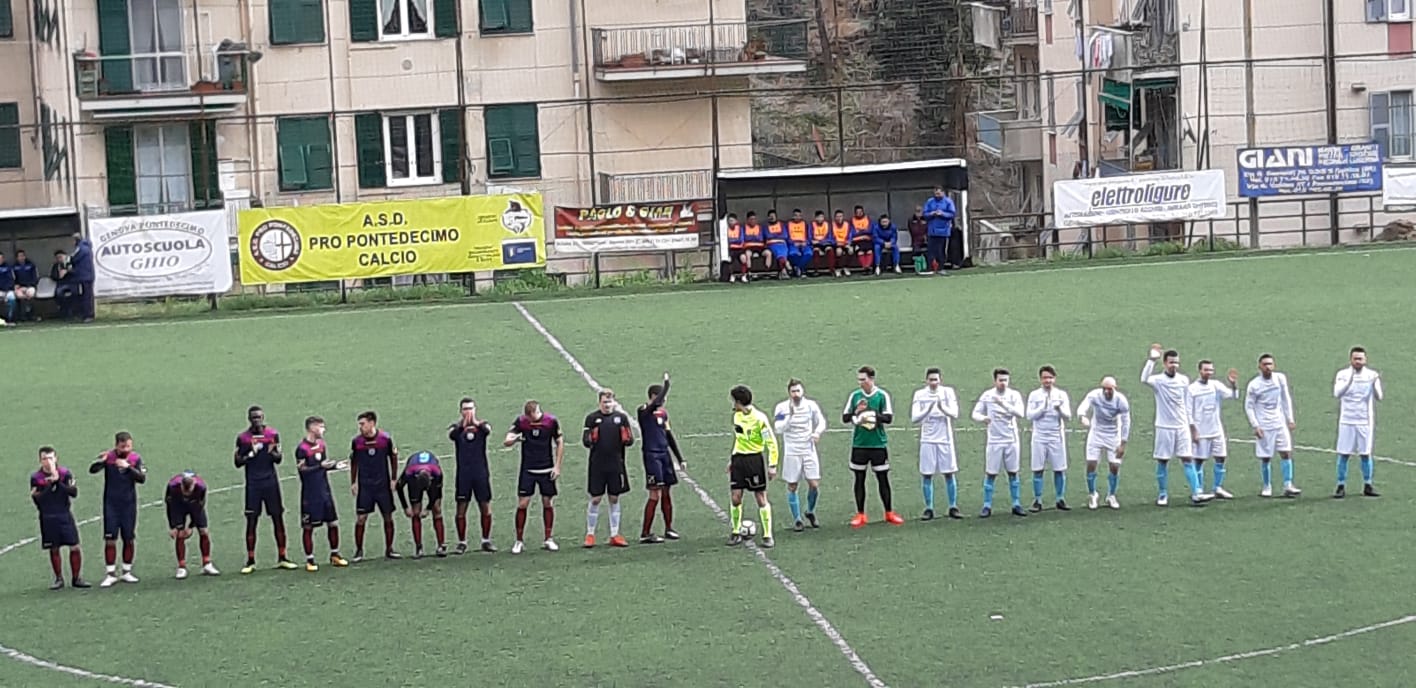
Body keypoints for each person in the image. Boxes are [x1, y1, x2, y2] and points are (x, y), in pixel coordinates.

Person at [1141, 346, 1212, 506]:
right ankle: (1162, 494)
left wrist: (1191, 426)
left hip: (1181, 426)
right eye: (1171, 362)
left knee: (1187, 458)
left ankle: (1197, 493)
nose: (1174, 365)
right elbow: (1144, 379)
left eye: (1177, 363)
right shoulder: (1158, 380)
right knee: (1163, 461)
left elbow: (1186, 403)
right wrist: (1151, 360)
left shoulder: (1183, 380)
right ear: (1165, 363)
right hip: (1164, 426)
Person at [235, 406, 295, 574]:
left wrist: (273, 452)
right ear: (249, 419)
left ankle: (283, 557)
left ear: (263, 417)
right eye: (254, 417)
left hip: (271, 483)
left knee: (277, 518)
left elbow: (278, 459)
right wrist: (251, 454)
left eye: (259, 417)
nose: (257, 420)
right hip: (253, 484)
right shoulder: (243, 438)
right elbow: (238, 462)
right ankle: (250, 561)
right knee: (252, 521)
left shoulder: (272, 434)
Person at [844, 366, 903, 527]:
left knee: (882, 478)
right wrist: (857, 412)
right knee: (859, 479)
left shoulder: (882, 395)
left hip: (878, 444)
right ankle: (860, 514)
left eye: (863, 379)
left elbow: (888, 418)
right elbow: (845, 417)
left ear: (871, 379)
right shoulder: (855, 396)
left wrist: (872, 415)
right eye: (859, 380)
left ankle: (889, 512)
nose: (860, 382)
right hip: (859, 444)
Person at [504, 401, 565, 554]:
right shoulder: (521, 422)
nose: (531, 420)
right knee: (522, 504)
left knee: (547, 502)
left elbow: (559, 442)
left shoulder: (551, 421)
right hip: (528, 470)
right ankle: (519, 541)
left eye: (532, 417)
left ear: (537, 412)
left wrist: (557, 466)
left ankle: (548, 538)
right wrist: (515, 439)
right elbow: (507, 441)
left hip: (546, 469)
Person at [89, 432, 147, 588]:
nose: (126, 449)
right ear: (116, 446)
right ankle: (110, 574)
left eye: (128, 446)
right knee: (110, 538)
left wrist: (128, 467)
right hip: (111, 504)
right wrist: (102, 461)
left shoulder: (135, 459)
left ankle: (127, 571)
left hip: (128, 504)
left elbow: (142, 479)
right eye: (123, 447)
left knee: (128, 537)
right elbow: (92, 470)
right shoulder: (110, 458)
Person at [581, 389, 634, 548]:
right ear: (600, 403)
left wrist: (627, 438)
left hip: (616, 464)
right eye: (604, 402)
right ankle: (590, 534)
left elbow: (630, 440)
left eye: (609, 402)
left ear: (614, 402)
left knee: (614, 497)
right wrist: (590, 439)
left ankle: (614, 534)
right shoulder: (592, 418)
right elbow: (585, 441)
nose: (607, 405)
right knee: (596, 498)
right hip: (597, 465)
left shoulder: (621, 418)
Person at [727, 385, 779, 547]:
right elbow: (739, 439)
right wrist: (732, 459)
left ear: (739, 402)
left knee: (760, 497)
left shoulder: (759, 419)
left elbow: (771, 442)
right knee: (735, 497)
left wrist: (772, 464)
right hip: (738, 460)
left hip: (754, 460)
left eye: (734, 401)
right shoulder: (736, 417)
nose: (733, 404)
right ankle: (735, 531)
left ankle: (767, 535)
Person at [972, 368, 1027, 518]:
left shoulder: (1014, 395)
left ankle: (1016, 504)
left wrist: (1003, 404)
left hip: (1011, 440)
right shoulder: (987, 395)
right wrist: (983, 418)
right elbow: (975, 413)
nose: (1003, 383)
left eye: (1006, 380)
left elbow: (1020, 413)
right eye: (1000, 380)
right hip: (994, 441)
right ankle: (987, 505)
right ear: (995, 380)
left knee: (1013, 472)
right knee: (990, 473)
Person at [31, 447, 89, 589]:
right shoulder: (36, 478)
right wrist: (50, 484)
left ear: (56, 458)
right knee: (54, 548)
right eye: (44, 459)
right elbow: (38, 499)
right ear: (40, 461)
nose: (48, 461)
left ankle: (76, 578)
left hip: (64, 514)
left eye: (50, 458)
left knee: (74, 546)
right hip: (47, 516)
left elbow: (73, 492)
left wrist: (58, 482)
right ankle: (59, 578)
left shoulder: (65, 474)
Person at [773, 378, 827, 531]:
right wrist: (790, 416)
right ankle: (797, 519)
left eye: (798, 391)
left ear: (802, 391)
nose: (796, 394)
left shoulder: (811, 405)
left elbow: (821, 421)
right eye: (793, 391)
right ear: (789, 393)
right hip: (792, 451)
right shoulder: (782, 408)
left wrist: (817, 433)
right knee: (792, 485)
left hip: (808, 449)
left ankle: (810, 511)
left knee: (814, 484)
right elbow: (778, 428)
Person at [1244, 354, 1301, 498]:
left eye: (1270, 364)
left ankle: (1288, 484)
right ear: (1259, 366)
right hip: (1264, 425)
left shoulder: (1280, 379)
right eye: (1265, 364)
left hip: (1279, 423)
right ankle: (1266, 485)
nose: (1268, 367)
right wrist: (1255, 426)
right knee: (1266, 457)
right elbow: (1249, 406)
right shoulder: (1254, 385)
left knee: (1286, 452)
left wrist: (1290, 418)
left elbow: (1285, 399)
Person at [295, 416, 348, 570]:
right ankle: (310, 560)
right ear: (312, 428)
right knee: (308, 527)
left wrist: (336, 466)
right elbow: (302, 470)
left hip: (324, 491)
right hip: (310, 494)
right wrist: (321, 466)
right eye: (321, 427)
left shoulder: (322, 445)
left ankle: (335, 555)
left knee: (333, 523)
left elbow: (324, 466)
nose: (323, 430)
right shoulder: (302, 449)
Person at [638, 373, 685, 543]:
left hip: (664, 455)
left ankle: (669, 528)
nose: (664, 401)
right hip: (652, 456)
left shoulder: (663, 414)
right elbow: (655, 404)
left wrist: (680, 458)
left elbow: (669, 436)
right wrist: (666, 385)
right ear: (652, 397)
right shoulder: (643, 411)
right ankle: (645, 533)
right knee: (654, 494)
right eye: (661, 397)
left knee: (666, 492)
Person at [349, 410, 402, 561]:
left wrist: (393, 479)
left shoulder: (385, 439)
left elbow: (393, 458)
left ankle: (389, 549)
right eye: (359, 424)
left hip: (383, 485)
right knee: (361, 518)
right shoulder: (357, 442)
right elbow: (354, 462)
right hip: (365, 486)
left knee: (387, 516)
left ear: (372, 423)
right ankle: (359, 551)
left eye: (363, 424)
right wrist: (353, 482)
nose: (360, 427)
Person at [1333, 346, 1383, 498]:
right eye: (1355, 359)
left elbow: (1379, 397)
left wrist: (1374, 384)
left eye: (1360, 359)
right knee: (1344, 453)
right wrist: (1350, 380)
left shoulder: (1372, 375)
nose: (1358, 362)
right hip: (1347, 420)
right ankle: (1340, 485)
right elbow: (1337, 393)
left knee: (1365, 454)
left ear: (1365, 360)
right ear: (1351, 360)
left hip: (1364, 421)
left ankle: (1368, 484)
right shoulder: (1342, 374)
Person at [911, 368, 961, 520]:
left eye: (936, 379)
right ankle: (929, 508)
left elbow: (955, 414)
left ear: (940, 380)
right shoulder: (920, 394)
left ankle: (953, 506)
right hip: (927, 439)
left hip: (945, 439)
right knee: (927, 474)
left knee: (949, 473)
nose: (933, 382)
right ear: (926, 380)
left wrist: (942, 408)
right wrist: (927, 409)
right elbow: (914, 418)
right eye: (931, 380)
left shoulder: (948, 392)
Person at [1076, 377, 1131, 509]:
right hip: (1096, 433)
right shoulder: (1095, 395)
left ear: (1115, 388)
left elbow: (1126, 422)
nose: (1106, 391)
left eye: (1109, 389)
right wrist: (1082, 416)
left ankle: (1111, 495)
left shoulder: (1121, 400)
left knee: (1114, 466)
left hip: (1113, 435)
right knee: (1091, 464)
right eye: (1104, 389)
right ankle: (1092, 494)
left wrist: (1123, 443)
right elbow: (1083, 406)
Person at [450, 398, 496, 553]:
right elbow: (452, 435)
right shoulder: (457, 428)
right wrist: (462, 425)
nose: (468, 412)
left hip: (481, 473)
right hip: (463, 474)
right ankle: (462, 542)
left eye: (470, 408)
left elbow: (488, 430)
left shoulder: (482, 426)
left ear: (475, 410)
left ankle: (486, 540)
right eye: (465, 409)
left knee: (485, 506)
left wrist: (475, 422)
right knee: (461, 508)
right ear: (461, 411)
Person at [1188, 360, 1240, 499]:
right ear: (1200, 371)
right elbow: (1188, 412)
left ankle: (1217, 487)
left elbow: (1233, 395)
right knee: (1199, 460)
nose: (1209, 373)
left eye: (1211, 370)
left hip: (1216, 429)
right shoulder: (1192, 389)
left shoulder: (1215, 385)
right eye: (1206, 370)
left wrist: (1233, 384)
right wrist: (1193, 431)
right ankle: (1198, 489)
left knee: (1221, 457)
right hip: (1201, 431)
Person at [1026, 365, 1073, 512]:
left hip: (1056, 437)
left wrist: (1059, 409)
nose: (1048, 380)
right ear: (1040, 379)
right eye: (1045, 378)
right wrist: (1042, 408)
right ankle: (1037, 500)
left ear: (1055, 379)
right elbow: (1029, 415)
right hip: (1039, 437)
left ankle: (1060, 498)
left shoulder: (1061, 394)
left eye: (1050, 378)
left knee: (1059, 469)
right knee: (1038, 469)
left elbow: (1068, 416)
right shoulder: (1034, 395)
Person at [164, 471, 220, 579]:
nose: (187, 494)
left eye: (189, 492)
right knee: (180, 534)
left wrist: (191, 526)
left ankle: (207, 563)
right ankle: (181, 567)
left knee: (203, 530)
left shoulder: (201, 487)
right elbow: (170, 506)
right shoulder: (172, 487)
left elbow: (199, 507)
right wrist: (173, 526)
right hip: (178, 506)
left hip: (195, 506)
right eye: (184, 492)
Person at [395, 450, 447, 558]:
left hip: (431, 475)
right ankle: (419, 548)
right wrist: (405, 507)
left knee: (437, 509)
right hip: (415, 479)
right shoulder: (409, 473)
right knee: (416, 512)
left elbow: (437, 492)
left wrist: (428, 508)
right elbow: (399, 487)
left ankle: (441, 545)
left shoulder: (437, 473)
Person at [923, 186, 956, 275]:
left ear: (943, 193)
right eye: (935, 193)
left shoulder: (948, 202)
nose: (937, 195)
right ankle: (930, 268)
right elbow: (925, 214)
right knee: (931, 251)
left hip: (943, 231)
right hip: (932, 231)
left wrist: (942, 214)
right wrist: (931, 214)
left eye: (938, 193)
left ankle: (941, 268)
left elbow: (952, 214)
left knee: (941, 251)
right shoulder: (930, 202)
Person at [71, 233, 96, 322]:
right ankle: (88, 314)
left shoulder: (81, 248)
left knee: (86, 296)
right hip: (88, 275)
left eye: (73, 240)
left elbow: (74, 259)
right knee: (88, 295)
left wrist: (69, 259)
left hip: (84, 276)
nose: (72, 243)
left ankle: (88, 315)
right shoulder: (87, 248)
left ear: (76, 240)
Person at [49, 250, 78, 320]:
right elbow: (52, 276)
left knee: (75, 293)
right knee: (58, 294)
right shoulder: (55, 266)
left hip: (72, 283)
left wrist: (68, 271)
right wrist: (58, 276)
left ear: (65, 256)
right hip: (61, 284)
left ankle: (73, 311)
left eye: (60, 257)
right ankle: (64, 310)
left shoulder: (71, 263)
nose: (59, 259)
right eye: (57, 258)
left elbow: (77, 272)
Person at [762, 210, 791, 279]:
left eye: (773, 216)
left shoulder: (781, 225)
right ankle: (784, 269)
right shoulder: (766, 226)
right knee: (779, 254)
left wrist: (774, 236)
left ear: (776, 217)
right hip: (772, 245)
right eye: (770, 216)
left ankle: (783, 270)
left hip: (782, 244)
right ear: (768, 217)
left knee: (782, 254)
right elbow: (768, 235)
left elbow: (785, 235)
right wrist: (778, 235)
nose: (772, 218)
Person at [11, 249, 38, 321]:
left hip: (30, 286)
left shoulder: (31, 265)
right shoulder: (14, 267)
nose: (21, 257)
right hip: (19, 287)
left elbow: (35, 278)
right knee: (20, 295)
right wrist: (16, 285)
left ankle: (31, 314)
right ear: (17, 258)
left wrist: (30, 286)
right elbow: (13, 279)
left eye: (23, 256)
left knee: (30, 293)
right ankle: (22, 315)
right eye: (19, 256)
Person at [785, 209, 812, 277]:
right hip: (793, 244)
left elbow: (809, 236)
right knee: (792, 254)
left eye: (799, 216)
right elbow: (786, 236)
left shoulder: (804, 224)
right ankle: (802, 270)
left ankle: (798, 267)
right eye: (796, 215)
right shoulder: (788, 224)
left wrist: (806, 242)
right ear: (793, 216)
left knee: (809, 253)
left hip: (804, 243)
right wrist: (792, 243)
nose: (797, 217)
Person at [830, 209, 856, 276]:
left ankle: (846, 267)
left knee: (851, 250)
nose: (839, 218)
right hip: (836, 244)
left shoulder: (847, 224)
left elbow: (850, 235)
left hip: (845, 243)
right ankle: (838, 268)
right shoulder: (831, 225)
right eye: (837, 216)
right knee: (839, 251)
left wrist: (849, 242)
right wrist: (835, 243)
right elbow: (830, 237)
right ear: (835, 217)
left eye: (841, 216)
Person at [849, 206, 875, 272]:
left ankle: (868, 267)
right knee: (860, 252)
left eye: (860, 212)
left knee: (869, 251)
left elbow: (870, 231)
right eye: (857, 212)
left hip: (867, 239)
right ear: (855, 213)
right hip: (857, 240)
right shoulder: (852, 220)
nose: (859, 213)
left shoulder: (868, 219)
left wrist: (859, 231)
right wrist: (863, 233)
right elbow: (853, 233)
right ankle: (864, 268)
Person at [809, 210, 834, 276]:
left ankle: (831, 270)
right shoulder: (812, 225)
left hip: (825, 243)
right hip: (816, 244)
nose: (820, 219)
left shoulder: (827, 225)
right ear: (815, 218)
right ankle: (816, 271)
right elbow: (809, 237)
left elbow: (830, 237)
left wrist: (822, 241)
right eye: (819, 217)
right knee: (816, 250)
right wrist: (812, 241)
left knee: (830, 249)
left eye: (822, 217)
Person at [907, 206, 930, 274]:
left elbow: (928, 229)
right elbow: (913, 231)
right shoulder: (911, 220)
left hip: (926, 240)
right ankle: (918, 268)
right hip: (916, 240)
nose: (919, 213)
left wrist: (926, 237)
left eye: (920, 211)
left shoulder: (926, 219)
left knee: (930, 250)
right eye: (917, 211)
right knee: (916, 251)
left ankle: (928, 267)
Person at [0, 250, 14, 325]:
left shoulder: (8, 267)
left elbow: (11, 280)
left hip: (7, 290)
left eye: (1, 258)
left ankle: (10, 319)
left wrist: (6, 291)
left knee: (12, 297)